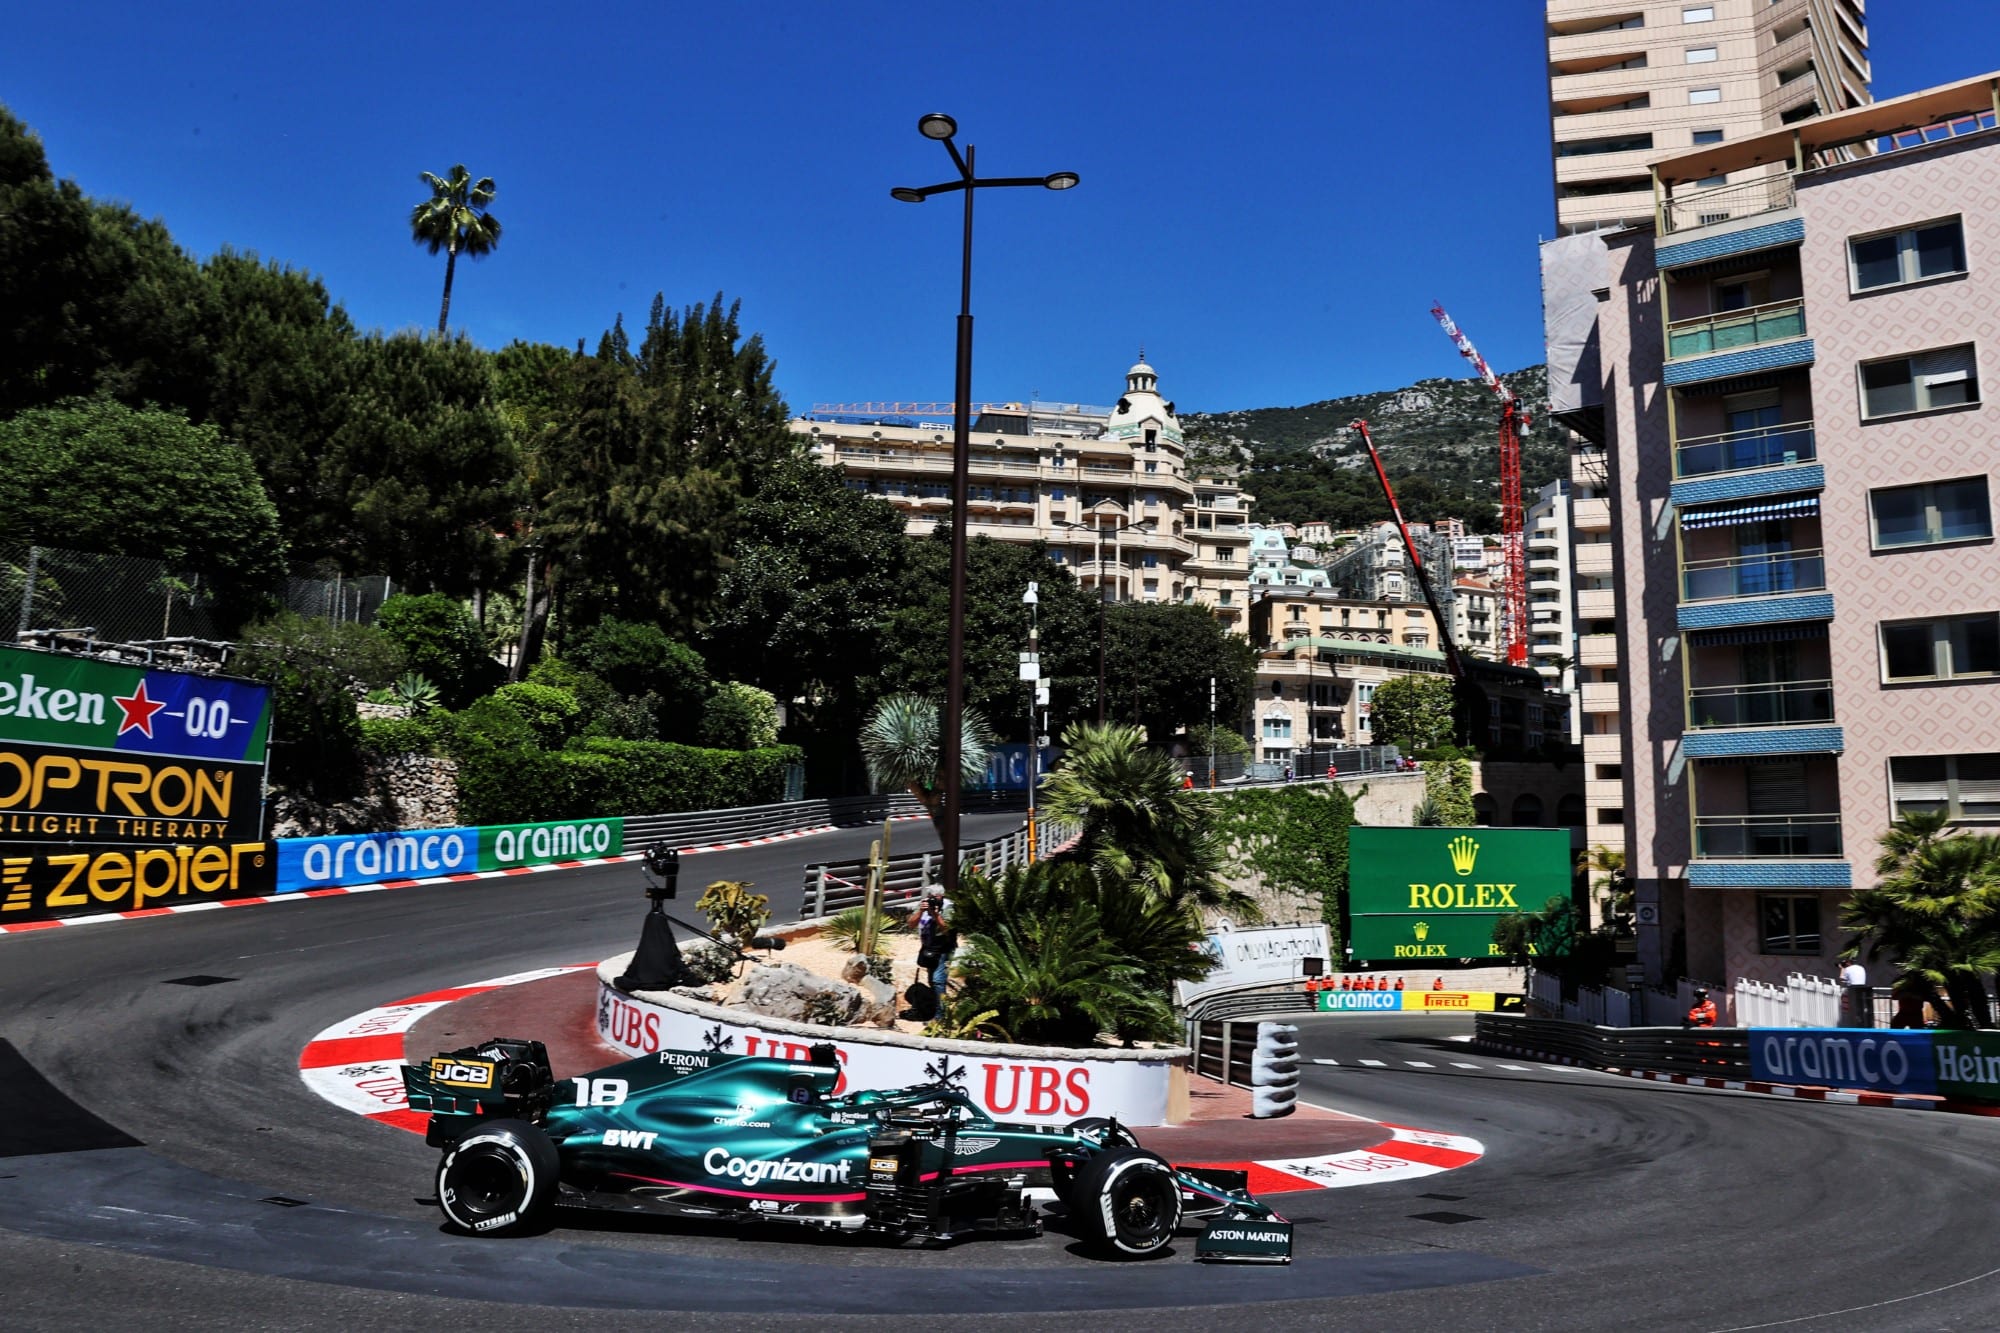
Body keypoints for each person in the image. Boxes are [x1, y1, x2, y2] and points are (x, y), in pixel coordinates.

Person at [910, 886, 955, 1002]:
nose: (933, 901)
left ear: (942, 897)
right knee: (932, 980)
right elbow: (911, 924)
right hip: (929, 948)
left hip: (944, 948)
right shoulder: (924, 905)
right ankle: (937, 1009)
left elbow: (947, 929)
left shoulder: (948, 907)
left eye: (936, 898)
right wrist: (921, 911)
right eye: (930, 898)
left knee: (937, 980)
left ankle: (941, 1016)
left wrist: (936, 915)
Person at [1840, 958, 1872, 1028]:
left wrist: (1842, 968)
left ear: (1848, 963)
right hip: (1862, 988)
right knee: (1860, 1005)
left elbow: (1842, 978)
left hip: (1853, 989)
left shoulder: (1847, 969)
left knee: (1853, 1007)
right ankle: (1863, 1021)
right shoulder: (1861, 967)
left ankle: (1856, 1022)